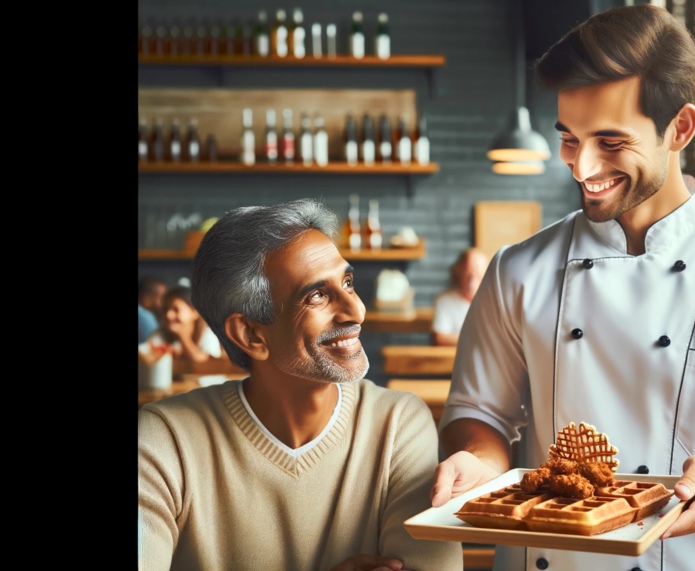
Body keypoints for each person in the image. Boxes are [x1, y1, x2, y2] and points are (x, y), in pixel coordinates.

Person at [430, 5, 695, 571]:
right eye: (569, 138)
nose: (582, 167)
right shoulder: (518, 271)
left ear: (679, 128)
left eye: (610, 141)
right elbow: (477, 412)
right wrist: (481, 462)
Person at [138, 199, 462, 570]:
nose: (356, 310)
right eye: (317, 295)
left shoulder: (399, 424)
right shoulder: (163, 441)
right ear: (250, 335)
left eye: (348, 282)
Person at [139, 285, 237, 377]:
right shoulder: (160, 333)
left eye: (175, 309)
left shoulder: (207, 334)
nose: (168, 315)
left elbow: (206, 365)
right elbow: (146, 360)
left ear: (194, 312)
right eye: (166, 309)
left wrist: (183, 337)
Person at [431, 248, 489, 346]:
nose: (472, 282)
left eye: (478, 276)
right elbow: (440, 338)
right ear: (459, 272)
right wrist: (481, 339)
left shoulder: (493, 301)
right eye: (468, 275)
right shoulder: (445, 301)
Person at [138, 275, 167, 343]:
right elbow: (155, 344)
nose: (165, 301)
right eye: (162, 297)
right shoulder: (144, 317)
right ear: (147, 299)